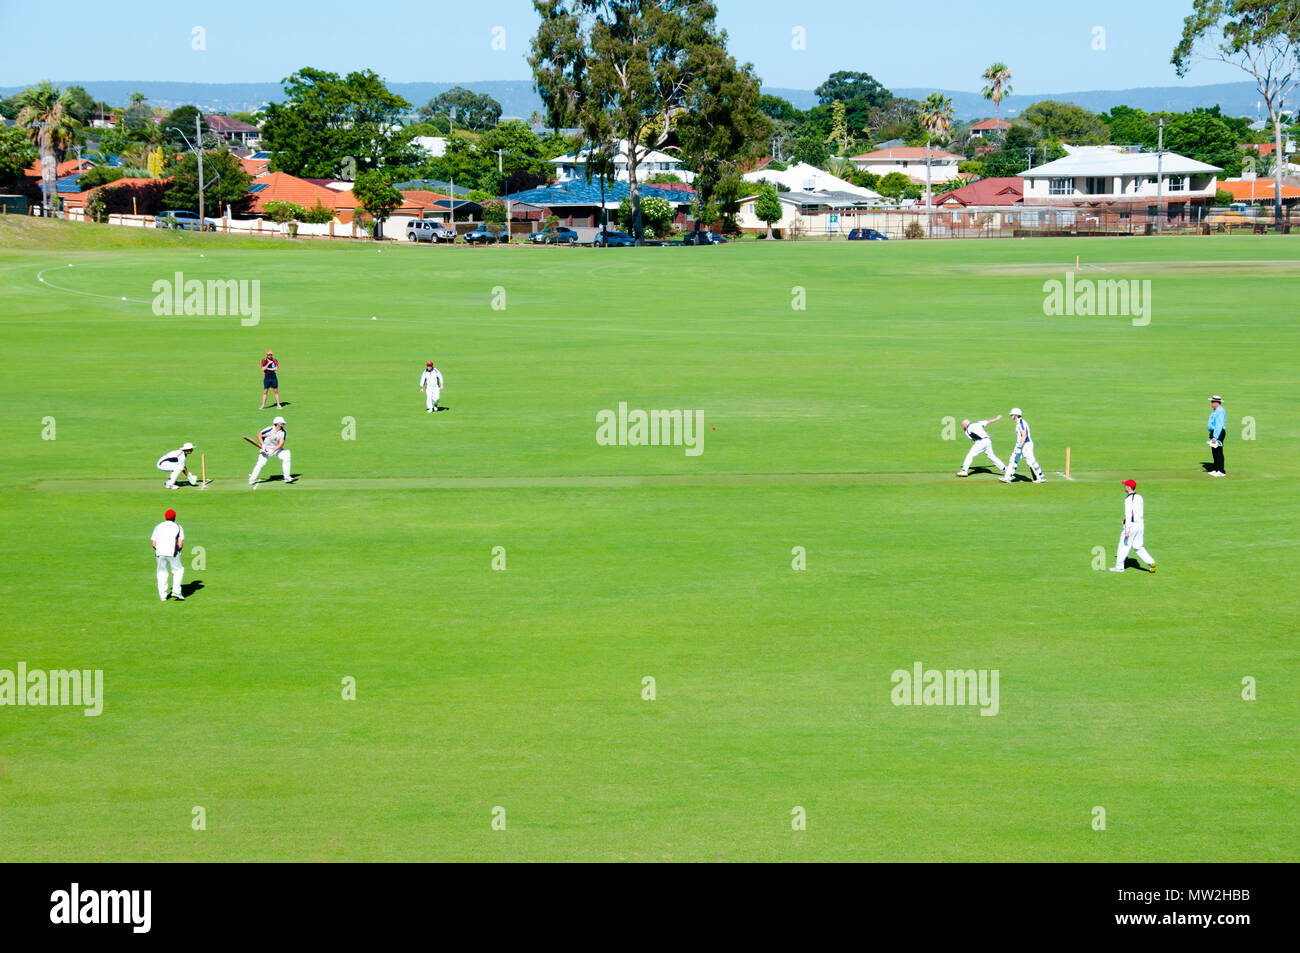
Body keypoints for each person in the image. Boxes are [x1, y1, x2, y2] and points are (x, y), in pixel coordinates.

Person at [1110, 479, 1156, 573]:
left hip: (1131, 526)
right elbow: (1137, 512)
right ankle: (1151, 562)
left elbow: (1128, 513)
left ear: (1129, 487)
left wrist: (1127, 529)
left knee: (1123, 546)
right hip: (1140, 525)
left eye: (1125, 485)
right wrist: (1127, 520)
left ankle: (1119, 567)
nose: (1124, 487)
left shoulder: (1128, 499)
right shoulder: (1140, 497)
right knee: (1138, 546)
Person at [1000, 408, 1045, 483]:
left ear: (1016, 415)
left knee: (1031, 461)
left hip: (1026, 445)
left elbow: (1024, 435)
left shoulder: (1021, 423)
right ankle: (1008, 478)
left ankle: (1041, 477)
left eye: (1012, 415)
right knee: (1013, 460)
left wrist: (1019, 447)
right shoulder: (1019, 422)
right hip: (1021, 444)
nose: (1011, 416)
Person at [150, 508, 186, 601]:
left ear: (165, 517)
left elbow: (153, 544)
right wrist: (177, 552)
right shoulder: (178, 527)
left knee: (161, 573)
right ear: (175, 517)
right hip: (173, 552)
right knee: (178, 570)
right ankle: (176, 591)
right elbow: (180, 544)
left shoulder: (158, 526)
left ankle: (163, 596)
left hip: (159, 553)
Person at [249, 415, 294, 486]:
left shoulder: (283, 432)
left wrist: (273, 451)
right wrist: (263, 446)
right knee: (261, 463)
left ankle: (287, 477)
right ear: (278, 424)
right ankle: (252, 479)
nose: (283, 425)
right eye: (282, 423)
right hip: (266, 448)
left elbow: (281, 443)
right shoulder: (269, 429)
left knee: (286, 455)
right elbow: (259, 435)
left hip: (276, 449)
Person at [1206, 395, 1226, 477]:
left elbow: (1219, 425)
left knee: (1218, 452)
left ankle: (1221, 471)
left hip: (1218, 433)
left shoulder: (1220, 411)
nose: (1211, 403)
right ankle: (1216, 469)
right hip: (1214, 432)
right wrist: (1210, 435)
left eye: (1212, 402)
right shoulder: (1215, 410)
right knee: (1214, 452)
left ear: (1216, 403)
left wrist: (1215, 437)